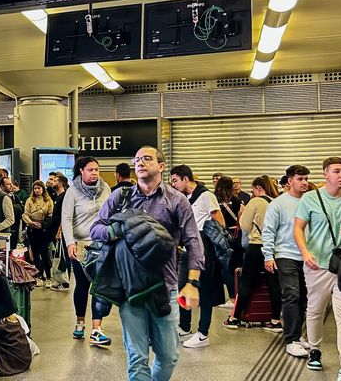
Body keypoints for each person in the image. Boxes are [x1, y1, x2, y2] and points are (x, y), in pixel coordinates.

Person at [90, 146, 203, 381]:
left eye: (147, 159)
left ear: (161, 166)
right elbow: (96, 229)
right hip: (130, 291)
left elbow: (193, 242)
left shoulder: (176, 200)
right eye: (137, 159)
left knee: (169, 355)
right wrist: (116, 229)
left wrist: (192, 282)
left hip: (165, 287)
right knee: (137, 357)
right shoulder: (120, 197)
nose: (140, 163)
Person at [293, 157, 341, 381]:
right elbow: (298, 228)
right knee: (315, 310)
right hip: (318, 265)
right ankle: (314, 350)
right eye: (337, 171)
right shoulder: (310, 198)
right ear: (325, 174)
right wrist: (305, 252)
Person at [170, 164, 225, 348]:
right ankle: (184, 327)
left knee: (205, 291)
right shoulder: (183, 198)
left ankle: (203, 333)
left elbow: (220, 222)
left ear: (186, 179)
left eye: (176, 180)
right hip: (186, 248)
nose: (174, 184)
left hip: (204, 248)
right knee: (183, 287)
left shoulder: (206, 195)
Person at [62, 156, 113, 346]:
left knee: (99, 285)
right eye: (90, 170)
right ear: (81, 171)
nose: (94, 173)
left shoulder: (105, 189)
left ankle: (97, 329)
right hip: (80, 245)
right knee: (82, 285)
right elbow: (66, 219)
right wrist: (69, 243)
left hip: (101, 244)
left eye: (97, 170)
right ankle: (80, 322)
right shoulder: (72, 192)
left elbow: (112, 214)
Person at [262, 164, 312, 357]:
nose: (304, 183)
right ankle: (291, 339)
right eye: (300, 179)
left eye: (306, 179)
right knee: (291, 294)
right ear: (290, 181)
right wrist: (268, 255)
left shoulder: (310, 202)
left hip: (307, 256)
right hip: (285, 254)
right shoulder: (278, 204)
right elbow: (268, 231)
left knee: (304, 297)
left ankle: (298, 336)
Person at [224, 175, 281, 332]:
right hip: (274, 248)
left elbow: (245, 225)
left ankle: (234, 318)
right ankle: (275, 320)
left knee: (247, 282)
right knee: (274, 285)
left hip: (257, 246)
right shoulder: (277, 201)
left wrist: (242, 213)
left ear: (258, 188)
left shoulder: (256, 201)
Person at [215, 175, 244, 307]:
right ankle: (238, 296)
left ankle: (230, 297)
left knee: (225, 267)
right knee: (236, 266)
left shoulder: (214, 200)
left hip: (220, 235)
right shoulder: (237, 200)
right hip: (236, 236)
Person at [22, 180, 55, 286]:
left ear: (43, 189)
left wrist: (42, 224)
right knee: (35, 254)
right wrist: (30, 222)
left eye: (39, 188)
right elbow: (25, 214)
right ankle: (39, 276)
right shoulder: (29, 200)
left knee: (45, 253)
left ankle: (49, 277)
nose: (37, 190)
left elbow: (50, 216)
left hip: (43, 229)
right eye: (35, 188)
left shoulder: (48, 201)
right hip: (32, 229)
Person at [48, 174, 72, 291]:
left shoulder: (65, 197)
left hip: (61, 233)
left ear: (61, 183)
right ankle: (59, 280)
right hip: (55, 232)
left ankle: (65, 282)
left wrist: (60, 231)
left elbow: (65, 216)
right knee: (58, 256)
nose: (53, 182)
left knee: (63, 257)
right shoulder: (58, 197)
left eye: (56, 181)